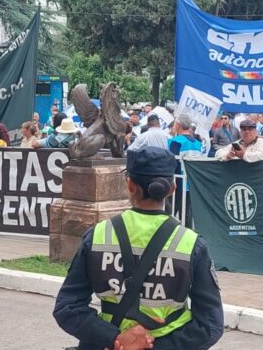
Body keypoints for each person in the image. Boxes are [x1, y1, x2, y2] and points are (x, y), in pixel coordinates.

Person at [53, 146, 224, 349]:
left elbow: (67, 308)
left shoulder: (98, 235)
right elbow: (210, 325)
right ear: (172, 189)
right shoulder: (191, 244)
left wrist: (114, 339)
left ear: (130, 184)